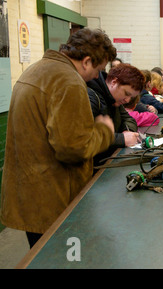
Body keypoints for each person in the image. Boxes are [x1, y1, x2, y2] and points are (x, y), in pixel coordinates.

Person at [1, 28, 116, 248]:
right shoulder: (68, 82)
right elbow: (73, 148)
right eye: (99, 70)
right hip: (53, 198)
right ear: (87, 61)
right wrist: (104, 131)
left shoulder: (37, 70)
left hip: (30, 194)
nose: (97, 77)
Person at [87, 63, 145, 167]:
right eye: (126, 94)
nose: (127, 100)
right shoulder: (91, 97)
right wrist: (122, 139)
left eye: (131, 97)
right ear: (114, 82)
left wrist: (128, 132)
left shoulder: (115, 100)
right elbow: (85, 138)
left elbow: (128, 119)